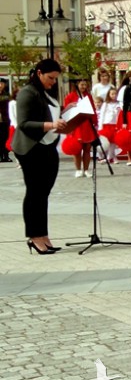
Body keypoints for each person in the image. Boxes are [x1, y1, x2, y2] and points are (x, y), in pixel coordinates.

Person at [14, 59, 68, 254]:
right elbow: (24, 123)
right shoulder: (27, 93)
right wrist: (51, 125)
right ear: (39, 73)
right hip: (30, 148)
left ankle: (43, 234)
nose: (53, 82)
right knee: (34, 193)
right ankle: (34, 236)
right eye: (50, 78)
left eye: (55, 79)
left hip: (48, 146)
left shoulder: (47, 93)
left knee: (43, 193)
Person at [63, 77, 98, 178]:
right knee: (77, 148)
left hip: (87, 124)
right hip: (76, 124)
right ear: (77, 85)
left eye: (85, 85)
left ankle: (86, 170)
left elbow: (93, 109)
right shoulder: (70, 96)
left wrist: (95, 121)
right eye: (81, 85)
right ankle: (78, 169)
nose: (83, 87)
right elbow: (66, 110)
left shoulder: (88, 96)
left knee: (87, 148)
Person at [97, 87, 122, 165]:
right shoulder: (106, 103)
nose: (114, 95)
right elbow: (102, 115)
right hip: (106, 124)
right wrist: (100, 126)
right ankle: (110, 156)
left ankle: (109, 158)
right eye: (112, 94)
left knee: (113, 142)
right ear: (109, 95)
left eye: (115, 94)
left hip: (115, 124)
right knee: (106, 141)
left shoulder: (119, 104)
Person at [0, 77, 10, 163]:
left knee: (5, 137)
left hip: (5, 119)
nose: (0, 85)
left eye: (2, 84)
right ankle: (0, 156)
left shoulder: (6, 95)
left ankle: (6, 156)